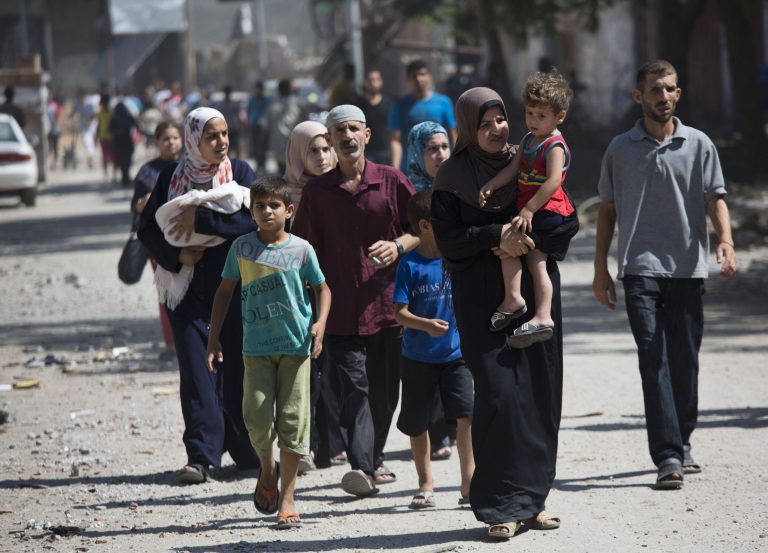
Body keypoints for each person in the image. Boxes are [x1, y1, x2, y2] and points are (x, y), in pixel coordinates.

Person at [431, 87, 578, 539]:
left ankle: (532, 501)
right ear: (468, 128)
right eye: (485, 123)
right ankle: (499, 507)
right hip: (481, 300)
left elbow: (566, 222)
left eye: (501, 119)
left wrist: (530, 240)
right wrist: (497, 234)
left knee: (538, 394)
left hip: (534, 298)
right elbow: (449, 237)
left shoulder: (531, 157)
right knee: (498, 395)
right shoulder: (453, 176)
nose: (497, 129)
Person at [592, 60, 737, 490]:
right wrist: (600, 268)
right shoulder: (620, 148)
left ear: (679, 93)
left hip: (688, 268)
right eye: (655, 89)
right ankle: (668, 455)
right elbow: (607, 210)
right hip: (639, 269)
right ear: (639, 96)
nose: (663, 96)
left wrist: (725, 240)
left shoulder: (699, 144)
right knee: (653, 358)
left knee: (685, 362)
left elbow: (716, 198)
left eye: (670, 89)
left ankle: (683, 438)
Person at [291, 104, 418, 497]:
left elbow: (421, 230)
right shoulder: (317, 192)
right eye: (338, 131)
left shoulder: (392, 181)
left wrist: (398, 246)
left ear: (367, 136)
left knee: (384, 393)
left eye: (353, 129)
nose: (346, 137)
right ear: (328, 140)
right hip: (339, 312)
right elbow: (303, 250)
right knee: (353, 389)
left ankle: (374, 457)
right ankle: (362, 466)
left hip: (388, 308)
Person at [137, 107, 261, 483]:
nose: (222, 142)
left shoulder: (240, 174)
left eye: (224, 134)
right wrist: (178, 255)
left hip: (234, 288)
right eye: (212, 136)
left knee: (238, 370)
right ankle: (202, 456)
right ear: (194, 140)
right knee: (196, 370)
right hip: (187, 290)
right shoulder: (170, 179)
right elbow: (148, 229)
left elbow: (256, 219)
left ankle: (246, 451)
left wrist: (202, 220)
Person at [206, 176, 331, 530]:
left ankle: (288, 499)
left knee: (293, 422)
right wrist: (213, 338)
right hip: (256, 350)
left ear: (289, 211)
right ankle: (267, 468)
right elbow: (224, 293)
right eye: (259, 206)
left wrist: (320, 324)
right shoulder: (242, 249)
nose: (267, 211)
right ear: (251, 211)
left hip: (296, 349)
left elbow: (323, 290)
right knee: (257, 419)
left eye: (274, 205)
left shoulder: (302, 249)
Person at [478, 70, 575, 343]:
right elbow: (512, 169)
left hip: (549, 210)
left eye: (541, 115)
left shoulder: (554, 145)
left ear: (559, 117)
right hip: (531, 209)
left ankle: (539, 313)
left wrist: (530, 209)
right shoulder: (528, 140)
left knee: (530, 256)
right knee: (515, 250)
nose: (533, 120)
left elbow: (554, 180)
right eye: (530, 113)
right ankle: (516, 299)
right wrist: (492, 185)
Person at [394, 190, 474, 509]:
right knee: (417, 423)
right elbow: (399, 312)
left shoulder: (456, 257)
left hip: (457, 356)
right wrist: (425, 324)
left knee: (466, 417)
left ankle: (469, 484)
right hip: (417, 358)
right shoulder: (409, 265)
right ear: (426, 225)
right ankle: (425, 483)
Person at [282, 120, 340, 472]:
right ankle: (305, 445)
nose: (321, 157)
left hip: (339, 292)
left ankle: (334, 444)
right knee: (306, 372)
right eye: (312, 151)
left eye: (325, 149)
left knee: (337, 370)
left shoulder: (344, 187)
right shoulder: (284, 196)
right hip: (299, 296)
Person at [403, 121, 455, 459]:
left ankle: (454, 428)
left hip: (457, 278)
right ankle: (437, 434)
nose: (439, 154)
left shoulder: (459, 184)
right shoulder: (407, 191)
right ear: (417, 153)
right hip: (423, 282)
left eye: (443, 147)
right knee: (428, 351)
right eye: (431, 148)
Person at [131, 121, 183, 351]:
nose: (171, 143)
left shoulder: (191, 166)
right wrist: (143, 203)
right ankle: (172, 342)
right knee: (166, 293)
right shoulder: (147, 172)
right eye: (166, 139)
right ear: (156, 142)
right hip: (158, 243)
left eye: (175, 138)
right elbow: (135, 205)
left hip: (187, 239)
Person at [388, 59, 457, 172]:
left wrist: (457, 160)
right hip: (411, 168)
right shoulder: (399, 105)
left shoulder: (443, 102)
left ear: (429, 76)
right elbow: (395, 139)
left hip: (441, 166)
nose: (418, 79)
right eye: (414, 75)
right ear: (408, 79)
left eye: (422, 74)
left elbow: (453, 135)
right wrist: (395, 170)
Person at [283, 120, 337, 213]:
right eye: (314, 151)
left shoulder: (343, 189)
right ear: (297, 155)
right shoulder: (279, 198)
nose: (321, 157)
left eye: (326, 149)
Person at [265, 79, 303, 175]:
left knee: (284, 174)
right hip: (294, 146)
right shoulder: (298, 105)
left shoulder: (272, 108)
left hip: (278, 147)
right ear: (290, 89)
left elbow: (266, 127)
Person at [354, 69, 390, 164]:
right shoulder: (357, 105)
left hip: (385, 153)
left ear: (381, 82)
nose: (373, 83)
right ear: (365, 82)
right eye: (370, 80)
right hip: (365, 152)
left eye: (376, 79)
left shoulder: (389, 104)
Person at [110, 101, 137, 186]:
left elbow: (110, 129)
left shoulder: (115, 118)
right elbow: (136, 126)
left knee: (121, 159)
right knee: (127, 159)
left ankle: (125, 175)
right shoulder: (128, 117)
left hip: (119, 142)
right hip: (127, 141)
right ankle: (125, 175)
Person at [247, 81, 270, 173]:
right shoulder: (252, 99)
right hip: (254, 125)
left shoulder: (266, 100)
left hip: (263, 126)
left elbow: (268, 112)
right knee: (256, 145)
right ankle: (258, 163)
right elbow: (249, 111)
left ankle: (263, 163)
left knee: (263, 145)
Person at [214, 85, 243, 158]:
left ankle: (228, 161)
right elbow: (239, 117)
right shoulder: (234, 104)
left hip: (225, 129)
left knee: (227, 147)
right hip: (232, 128)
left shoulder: (220, 104)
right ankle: (236, 161)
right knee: (234, 147)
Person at [72, 88, 97, 169]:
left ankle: (91, 160)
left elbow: (94, 113)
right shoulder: (78, 103)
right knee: (87, 143)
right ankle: (90, 159)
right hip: (83, 126)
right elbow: (74, 111)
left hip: (91, 126)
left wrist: (90, 122)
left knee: (89, 142)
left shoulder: (90, 102)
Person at [95, 94, 115, 182]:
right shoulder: (101, 113)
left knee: (112, 156)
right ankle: (107, 175)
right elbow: (98, 126)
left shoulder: (111, 113)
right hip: (105, 137)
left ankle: (113, 175)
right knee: (106, 156)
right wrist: (96, 137)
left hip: (109, 137)